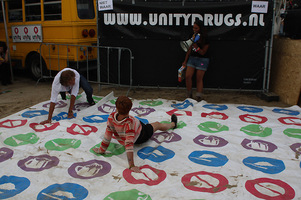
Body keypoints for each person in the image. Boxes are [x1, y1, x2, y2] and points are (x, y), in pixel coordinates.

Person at [93, 96, 178, 172]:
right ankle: (173, 124)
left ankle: (166, 124)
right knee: (157, 124)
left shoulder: (111, 118)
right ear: (130, 108)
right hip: (142, 135)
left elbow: (107, 136)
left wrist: (101, 150)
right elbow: (129, 144)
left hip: (136, 128)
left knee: (145, 124)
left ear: (116, 108)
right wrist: (132, 165)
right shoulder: (129, 124)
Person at [182, 20, 210, 102]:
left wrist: (196, 46)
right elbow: (189, 49)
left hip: (202, 60)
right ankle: (189, 95)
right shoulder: (192, 36)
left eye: (196, 28)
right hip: (192, 58)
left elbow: (203, 52)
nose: (194, 29)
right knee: (187, 76)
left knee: (199, 78)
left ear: (200, 28)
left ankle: (199, 97)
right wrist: (185, 61)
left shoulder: (206, 38)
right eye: (193, 27)